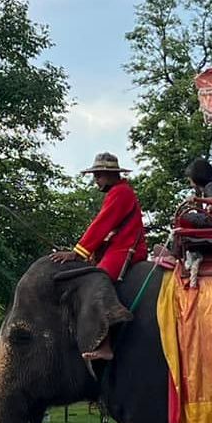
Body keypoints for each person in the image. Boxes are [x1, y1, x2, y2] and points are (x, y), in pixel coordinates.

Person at [49, 153, 146, 360]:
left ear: (111, 175)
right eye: (96, 175)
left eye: (99, 175)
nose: (96, 179)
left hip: (125, 249)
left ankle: (105, 343)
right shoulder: (119, 192)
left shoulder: (120, 193)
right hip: (117, 247)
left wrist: (77, 252)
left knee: (95, 280)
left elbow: (101, 224)